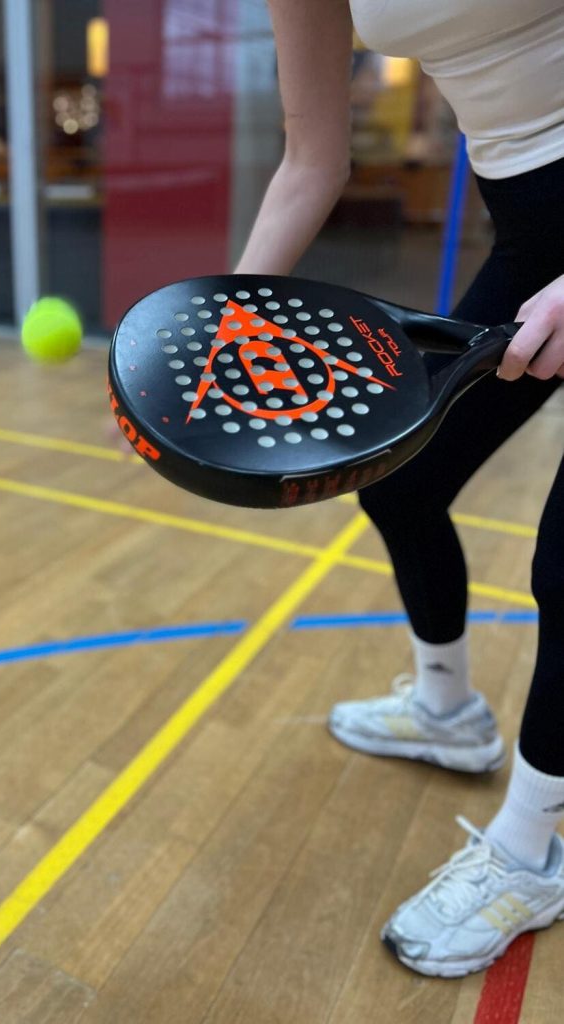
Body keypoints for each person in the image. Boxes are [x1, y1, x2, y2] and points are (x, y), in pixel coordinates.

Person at [235, 0, 564, 977]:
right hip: (533, 243)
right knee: (403, 482)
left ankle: (530, 849)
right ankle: (446, 711)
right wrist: (223, 321)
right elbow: (310, 161)